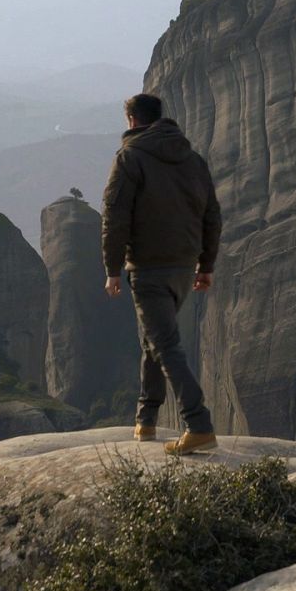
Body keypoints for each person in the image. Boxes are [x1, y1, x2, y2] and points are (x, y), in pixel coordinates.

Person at [102, 93, 221, 455]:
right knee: (154, 339)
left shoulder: (129, 157)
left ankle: (198, 424)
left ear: (133, 121)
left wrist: (111, 269)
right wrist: (206, 265)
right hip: (184, 266)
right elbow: (211, 214)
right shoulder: (192, 159)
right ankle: (147, 420)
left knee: (165, 344)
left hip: (149, 268)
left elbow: (115, 217)